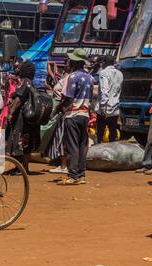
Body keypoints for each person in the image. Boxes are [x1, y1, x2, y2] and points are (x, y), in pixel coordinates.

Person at [51, 48, 94, 185]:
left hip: (73, 114)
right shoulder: (90, 78)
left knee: (72, 146)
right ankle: (81, 175)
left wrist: (57, 109)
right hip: (85, 114)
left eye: (70, 59)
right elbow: (92, 98)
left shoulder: (72, 77)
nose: (68, 61)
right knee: (82, 145)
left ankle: (72, 175)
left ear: (75, 62)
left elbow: (67, 98)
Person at [5, 60, 38, 174]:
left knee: (19, 141)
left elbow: (19, 99)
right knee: (26, 142)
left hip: (21, 118)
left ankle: (20, 168)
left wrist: (11, 113)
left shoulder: (24, 82)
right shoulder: (31, 82)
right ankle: (24, 167)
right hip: (28, 118)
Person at [95, 55, 123, 144]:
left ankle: (98, 154)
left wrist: (103, 109)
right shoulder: (120, 73)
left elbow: (104, 91)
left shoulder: (103, 73)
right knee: (112, 135)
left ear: (104, 62)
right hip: (115, 109)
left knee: (100, 135)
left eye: (102, 62)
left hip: (105, 109)